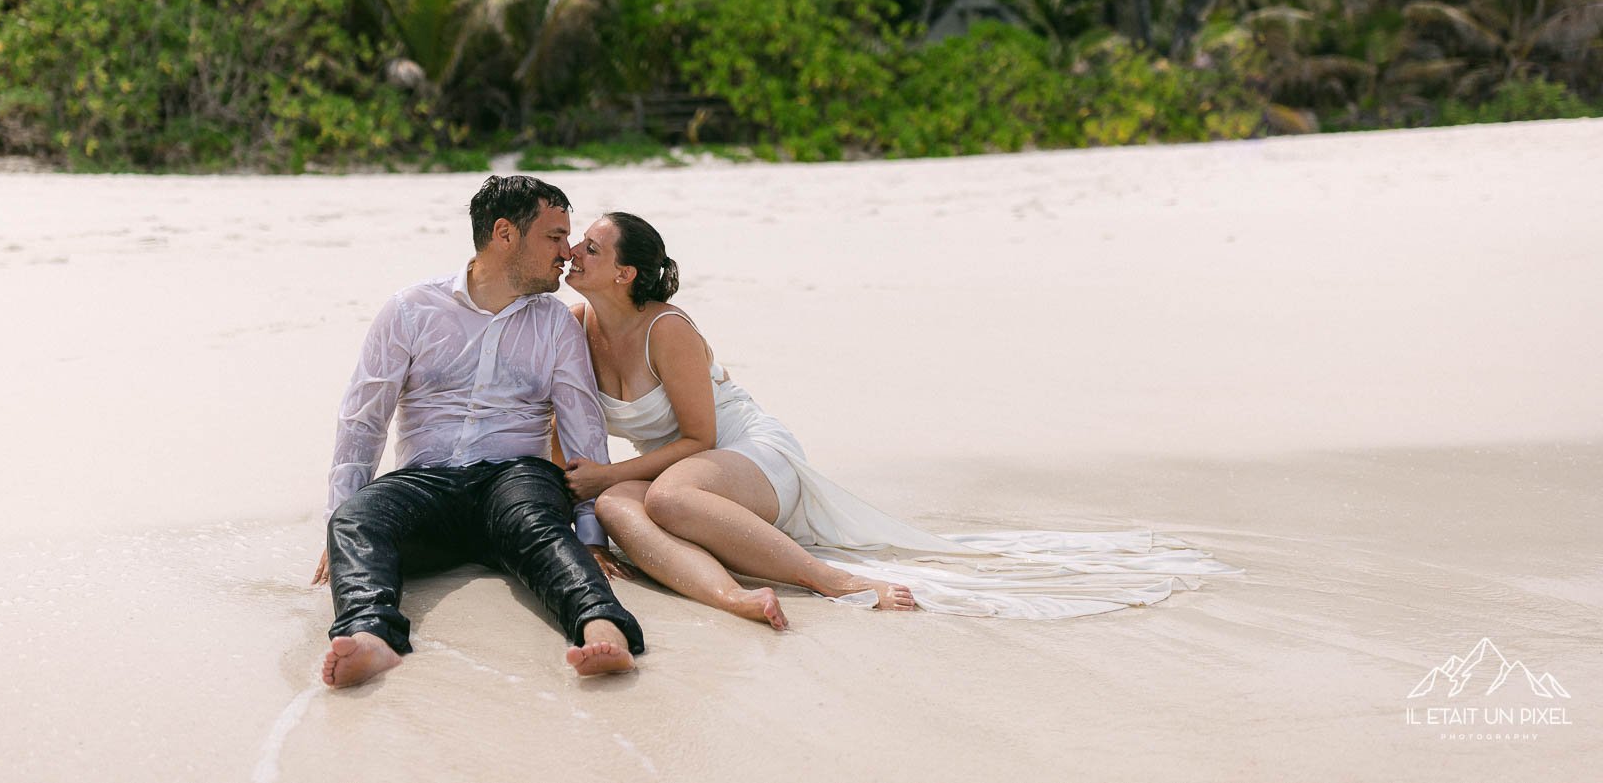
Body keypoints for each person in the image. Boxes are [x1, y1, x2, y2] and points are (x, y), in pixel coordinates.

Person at [562, 211, 1237, 626]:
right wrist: (598, 493)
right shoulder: (578, 323)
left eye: (589, 245)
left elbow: (700, 437)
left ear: (624, 271)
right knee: (621, 510)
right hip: (683, 466)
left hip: (745, 453)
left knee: (670, 497)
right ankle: (733, 597)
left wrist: (608, 471)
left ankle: (835, 579)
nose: (574, 254)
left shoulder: (668, 328)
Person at [311, 176, 644, 689]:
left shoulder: (556, 324)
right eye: (554, 237)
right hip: (426, 483)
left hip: (516, 479)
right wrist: (340, 522)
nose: (567, 252)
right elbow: (363, 419)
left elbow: (584, 434)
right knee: (355, 520)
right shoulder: (411, 310)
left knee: (538, 524)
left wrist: (591, 532)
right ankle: (370, 639)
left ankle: (604, 629)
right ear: (505, 234)